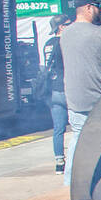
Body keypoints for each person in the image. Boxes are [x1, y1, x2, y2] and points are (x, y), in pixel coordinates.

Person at [60, 0, 101, 186]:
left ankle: (69, 184)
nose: (99, 10)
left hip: (75, 98)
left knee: (78, 139)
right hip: (100, 99)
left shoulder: (65, 34)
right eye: (97, 6)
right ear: (88, 8)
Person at [39, 14, 70, 174]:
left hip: (51, 91)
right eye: (67, 23)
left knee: (58, 128)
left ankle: (59, 162)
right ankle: (75, 160)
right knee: (81, 125)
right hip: (66, 88)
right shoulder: (65, 43)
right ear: (61, 27)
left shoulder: (48, 44)